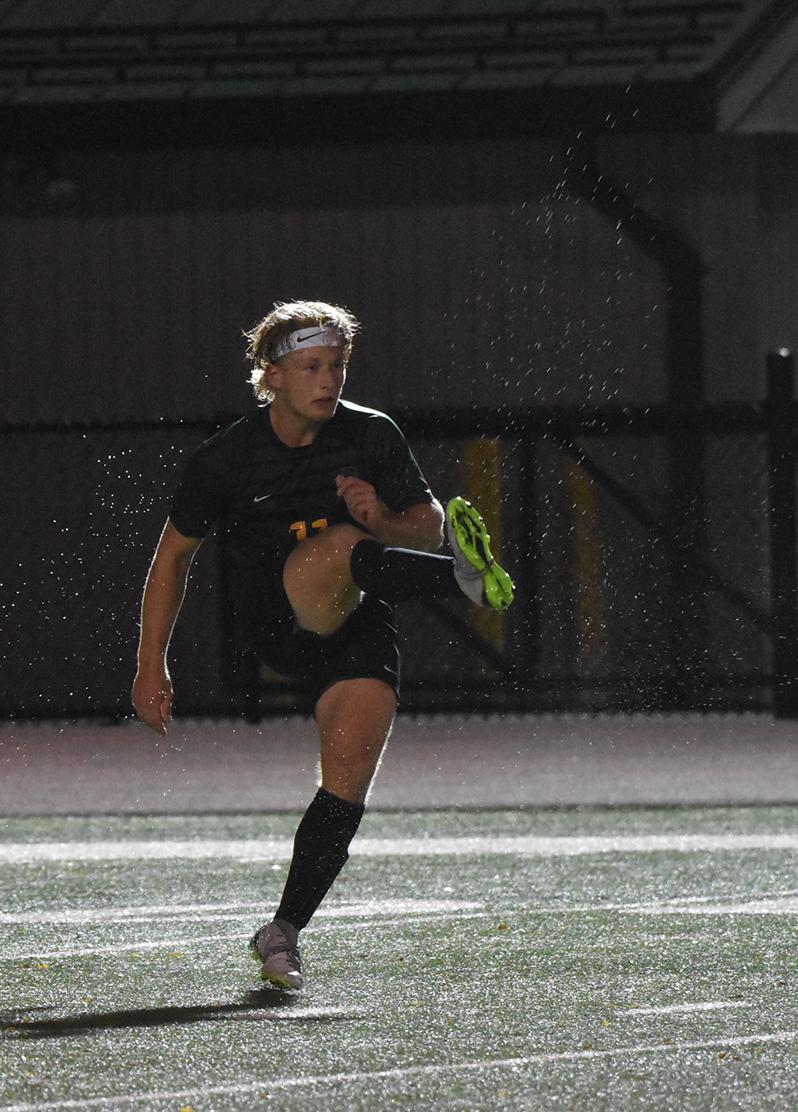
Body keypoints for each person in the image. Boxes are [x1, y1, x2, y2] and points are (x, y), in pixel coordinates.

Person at [131, 300, 514, 991]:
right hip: (278, 620)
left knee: (348, 777)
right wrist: (149, 663)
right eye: (311, 366)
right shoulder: (226, 457)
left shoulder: (370, 432)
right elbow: (172, 558)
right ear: (272, 375)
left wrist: (384, 519)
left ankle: (283, 932)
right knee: (338, 544)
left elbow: (427, 525)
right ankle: (462, 583)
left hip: (357, 620)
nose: (329, 378)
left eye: (337, 364)